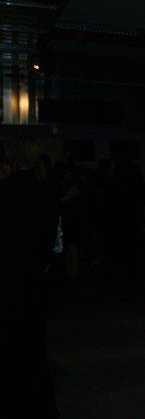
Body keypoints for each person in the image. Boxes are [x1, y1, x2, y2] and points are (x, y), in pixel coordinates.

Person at [0, 134, 59, 417]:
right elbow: (52, 241)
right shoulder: (46, 192)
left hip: (6, 282)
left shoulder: (4, 190)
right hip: (35, 281)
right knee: (34, 348)